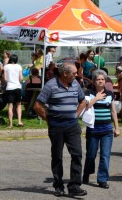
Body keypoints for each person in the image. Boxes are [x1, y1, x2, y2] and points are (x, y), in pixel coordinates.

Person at [34, 62, 87, 197]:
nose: (77, 75)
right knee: (57, 156)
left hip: (72, 126)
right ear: (65, 74)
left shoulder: (75, 84)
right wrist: (49, 119)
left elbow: (83, 101)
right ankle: (58, 185)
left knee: (77, 154)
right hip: (56, 127)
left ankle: (74, 186)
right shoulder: (51, 85)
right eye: (74, 73)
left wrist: (76, 114)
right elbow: (38, 105)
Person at [82, 69, 121, 189]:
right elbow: (86, 106)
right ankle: (87, 173)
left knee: (105, 155)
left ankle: (102, 179)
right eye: (98, 79)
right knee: (91, 154)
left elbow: (113, 111)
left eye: (102, 79)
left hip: (107, 130)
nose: (100, 81)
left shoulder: (110, 93)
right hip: (93, 129)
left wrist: (117, 127)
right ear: (94, 81)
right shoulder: (89, 92)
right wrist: (96, 98)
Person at [3, 54, 23, 128]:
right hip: (17, 87)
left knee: (10, 106)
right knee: (18, 105)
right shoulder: (19, 66)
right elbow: (21, 78)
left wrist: (8, 82)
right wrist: (19, 81)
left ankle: (10, 123)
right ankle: (19, 121)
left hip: (9, 87)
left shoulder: (6, 67)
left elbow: (5, 79)